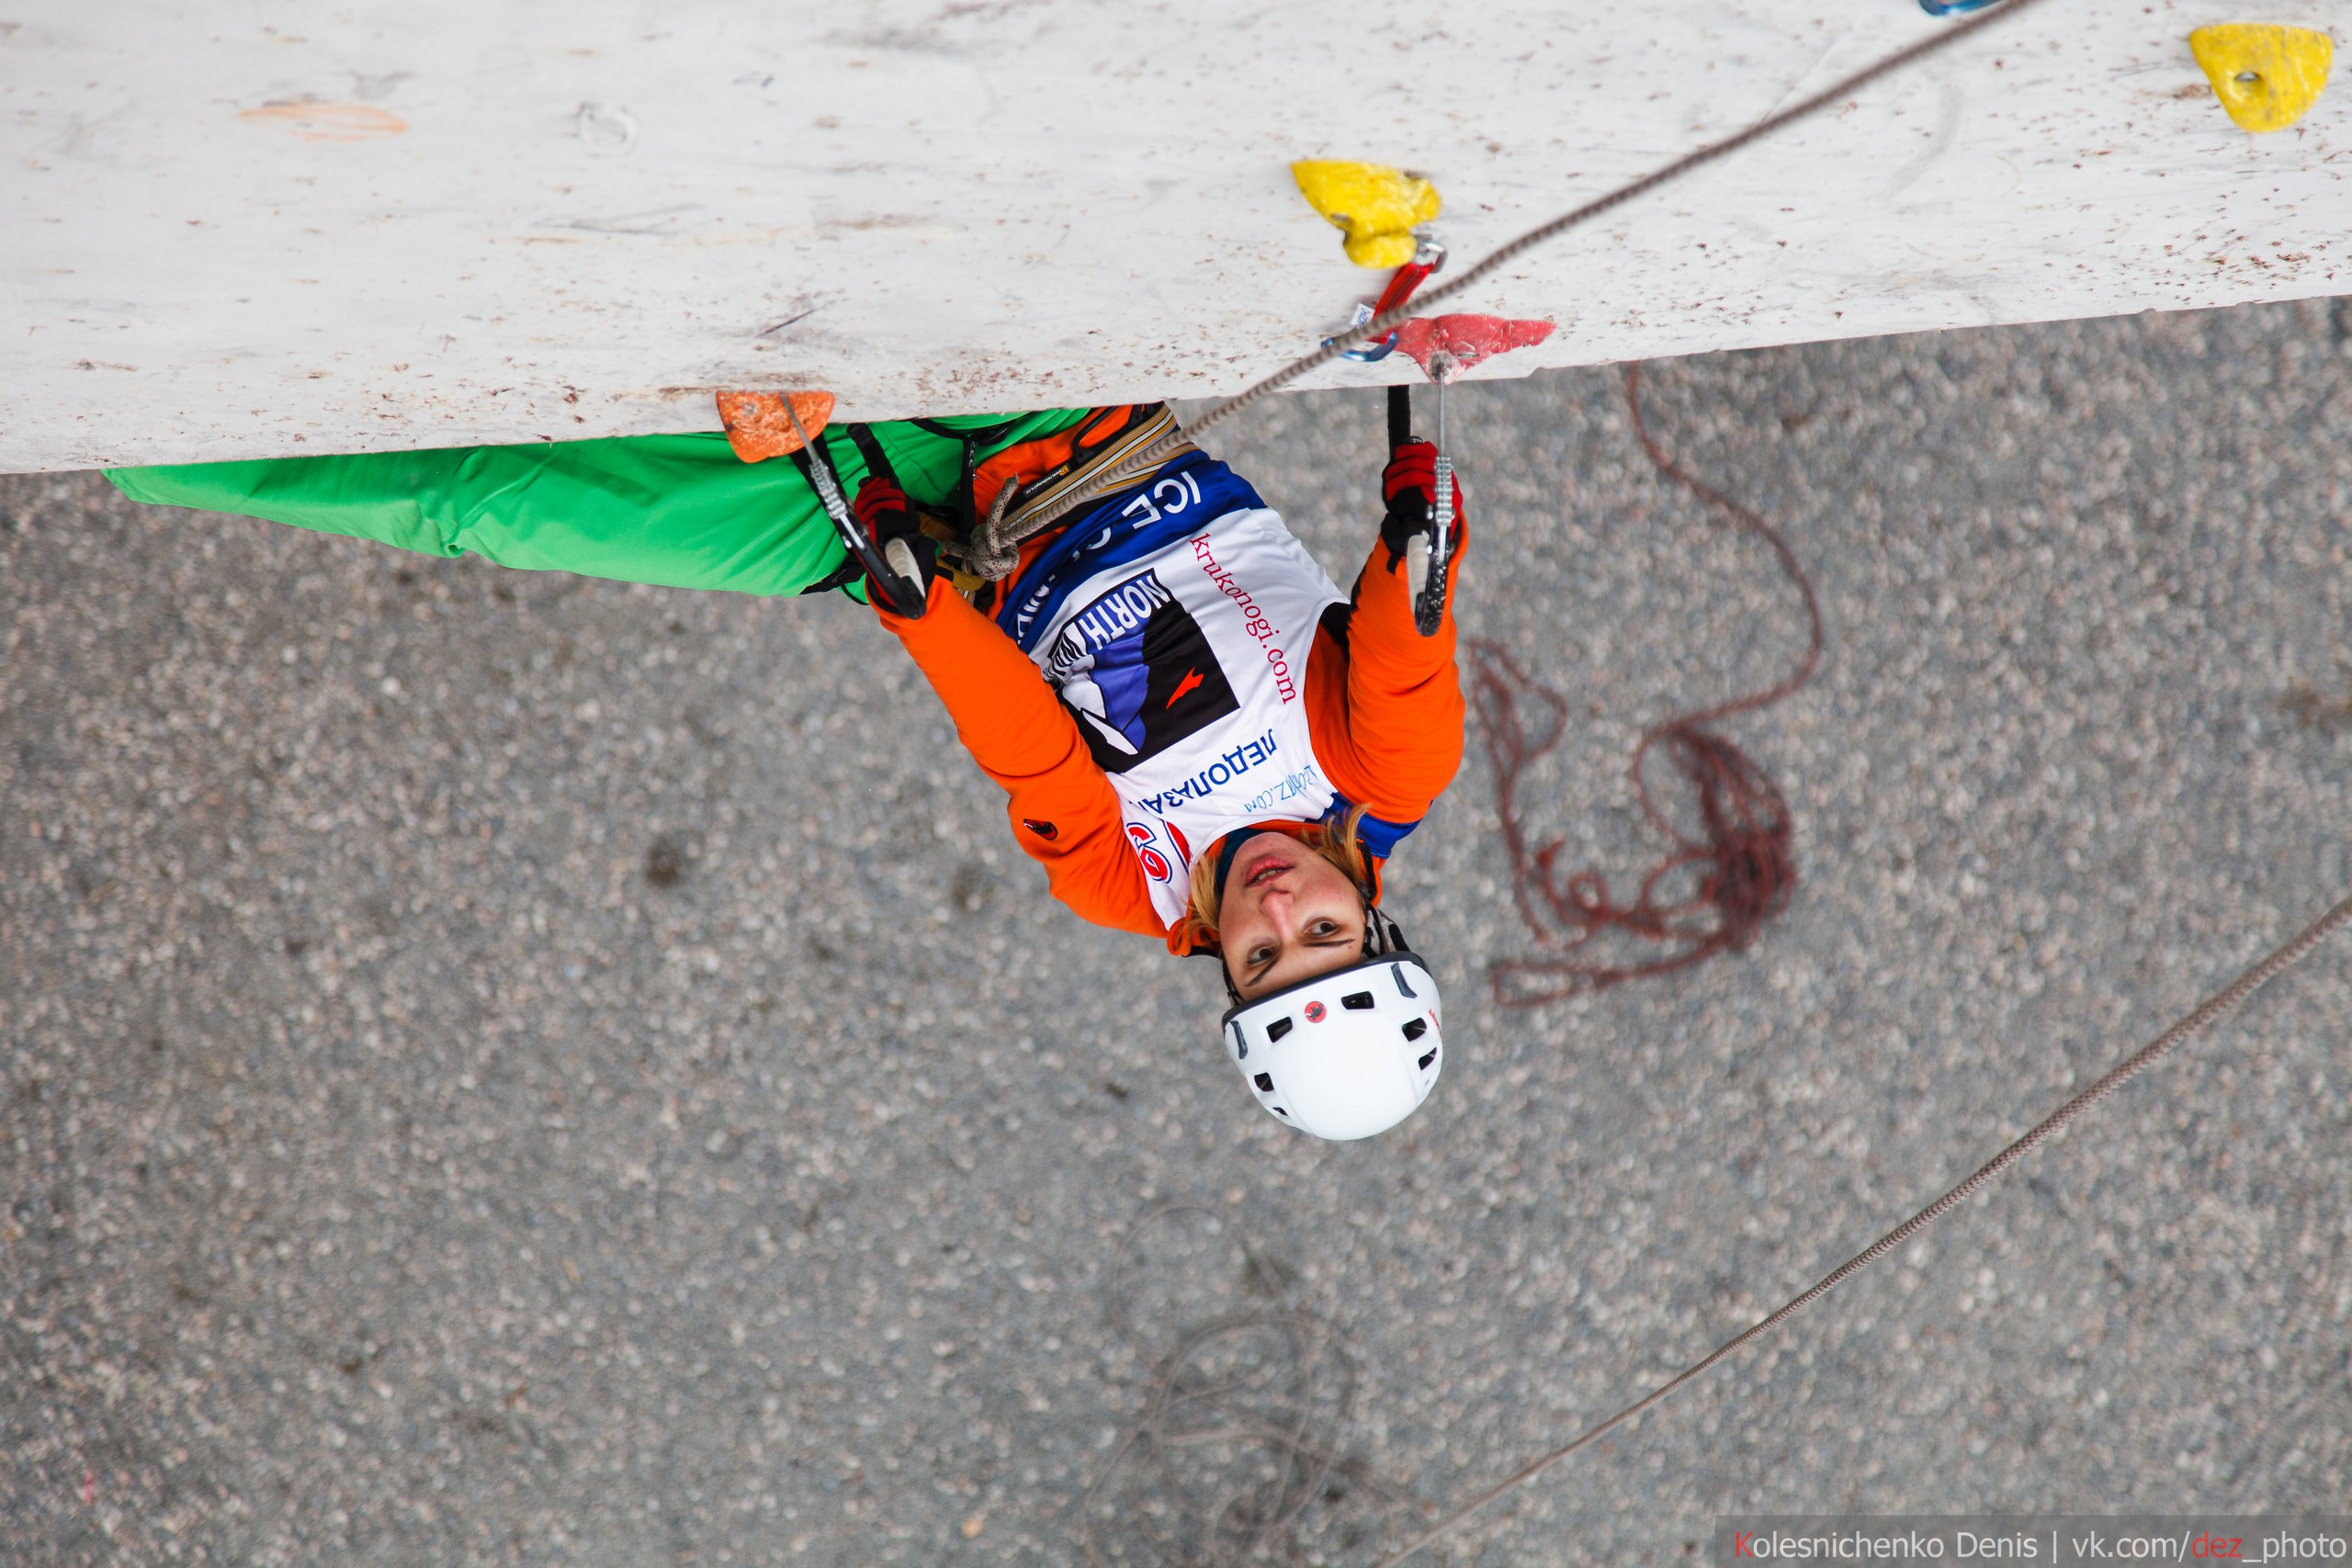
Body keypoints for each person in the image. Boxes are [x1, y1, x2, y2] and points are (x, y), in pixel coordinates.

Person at [107, 397, 1465, 1141]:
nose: (1281, 917)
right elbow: (1405, 655)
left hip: (907, 531)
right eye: (1326, 937)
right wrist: (1419, 547)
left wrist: (918, 594)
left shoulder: (1139, 885)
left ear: (1226, 979)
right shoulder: (1380, 773)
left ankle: (136, 432)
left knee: (490, 505)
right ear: (1370, 910)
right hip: (1077, 426)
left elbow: (1033, 752)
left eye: (1267, 965)